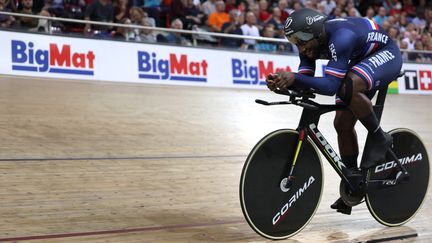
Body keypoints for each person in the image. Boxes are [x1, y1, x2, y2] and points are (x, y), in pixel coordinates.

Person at [266, 8, 402, 215]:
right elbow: (305, 79)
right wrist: (284, 82)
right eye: (294, 41)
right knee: (341, 124)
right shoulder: (307, 44)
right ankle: (353, 180)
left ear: (318, 33)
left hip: (385, 55)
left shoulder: (341, 37)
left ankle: (379, 137)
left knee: (347, 86)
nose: (300, 48)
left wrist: (295, 78)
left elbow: (330, 87)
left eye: (302, 40)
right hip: (358, 59)